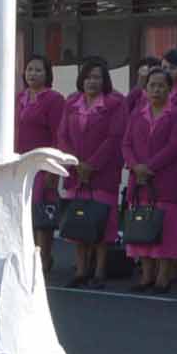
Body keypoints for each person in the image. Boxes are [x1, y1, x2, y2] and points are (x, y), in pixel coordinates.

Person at [119, 63, 177, 293]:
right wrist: (134, 166)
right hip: (140, 181)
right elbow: (126, 143)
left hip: (166, 180)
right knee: (143, 227)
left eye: (161, 86)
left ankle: (163, 277)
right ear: (146, 88)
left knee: (166, 229)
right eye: (152, 85)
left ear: (170, 89)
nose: (156, 90)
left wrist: (149, 167)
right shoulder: (137, 112)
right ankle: (146, 276)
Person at [56, 60, 127, 288]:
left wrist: (92, 165)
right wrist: (76, 164)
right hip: (76, 172)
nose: (92, 81)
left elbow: (114, 137)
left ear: (104, 80)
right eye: (88, 77)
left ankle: (99, 271)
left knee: (101, 222)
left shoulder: (115, 103)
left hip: (103, 172)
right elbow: (62, 135)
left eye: (97, 77)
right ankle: (81, 269)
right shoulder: (71, 102)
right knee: (78, 220)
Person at [14, 52, 65, 275]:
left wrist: (53, 167)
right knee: (23, 213)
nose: (32, 74)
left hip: (42, 164)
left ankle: (44, 258)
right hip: (20, 163)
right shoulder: (19, 98)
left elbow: (59, 134)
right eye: (29, 69)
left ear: (47, 74)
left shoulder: (54, 99)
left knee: (43, 213)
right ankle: (27, 258)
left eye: (38, 70)